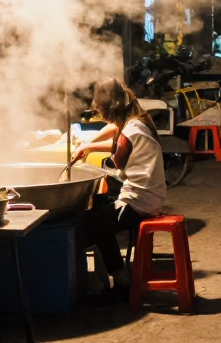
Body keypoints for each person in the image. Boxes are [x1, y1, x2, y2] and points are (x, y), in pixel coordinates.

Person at [75, 78, 166, 300]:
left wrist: (88, 164)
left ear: (112, 106)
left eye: (103, 110)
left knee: (90, 223)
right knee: (97, 209)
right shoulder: (134, 118)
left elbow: (113, 163)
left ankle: (109, 280)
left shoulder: (131, 130)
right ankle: (119, 275)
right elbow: (114, 129)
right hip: (149, 196)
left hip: (140, 202)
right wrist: (88, 145)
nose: (103, 116)